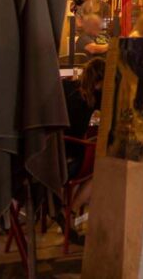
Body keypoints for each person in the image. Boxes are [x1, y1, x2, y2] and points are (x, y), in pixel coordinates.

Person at [62, 57, 106, 231]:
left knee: (90, 148)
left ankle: (64, 205)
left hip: (50, 155)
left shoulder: (67, 86)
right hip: (69, 159)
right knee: (101, 167)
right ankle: (70, 210)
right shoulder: (94, 96)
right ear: (101, 81)